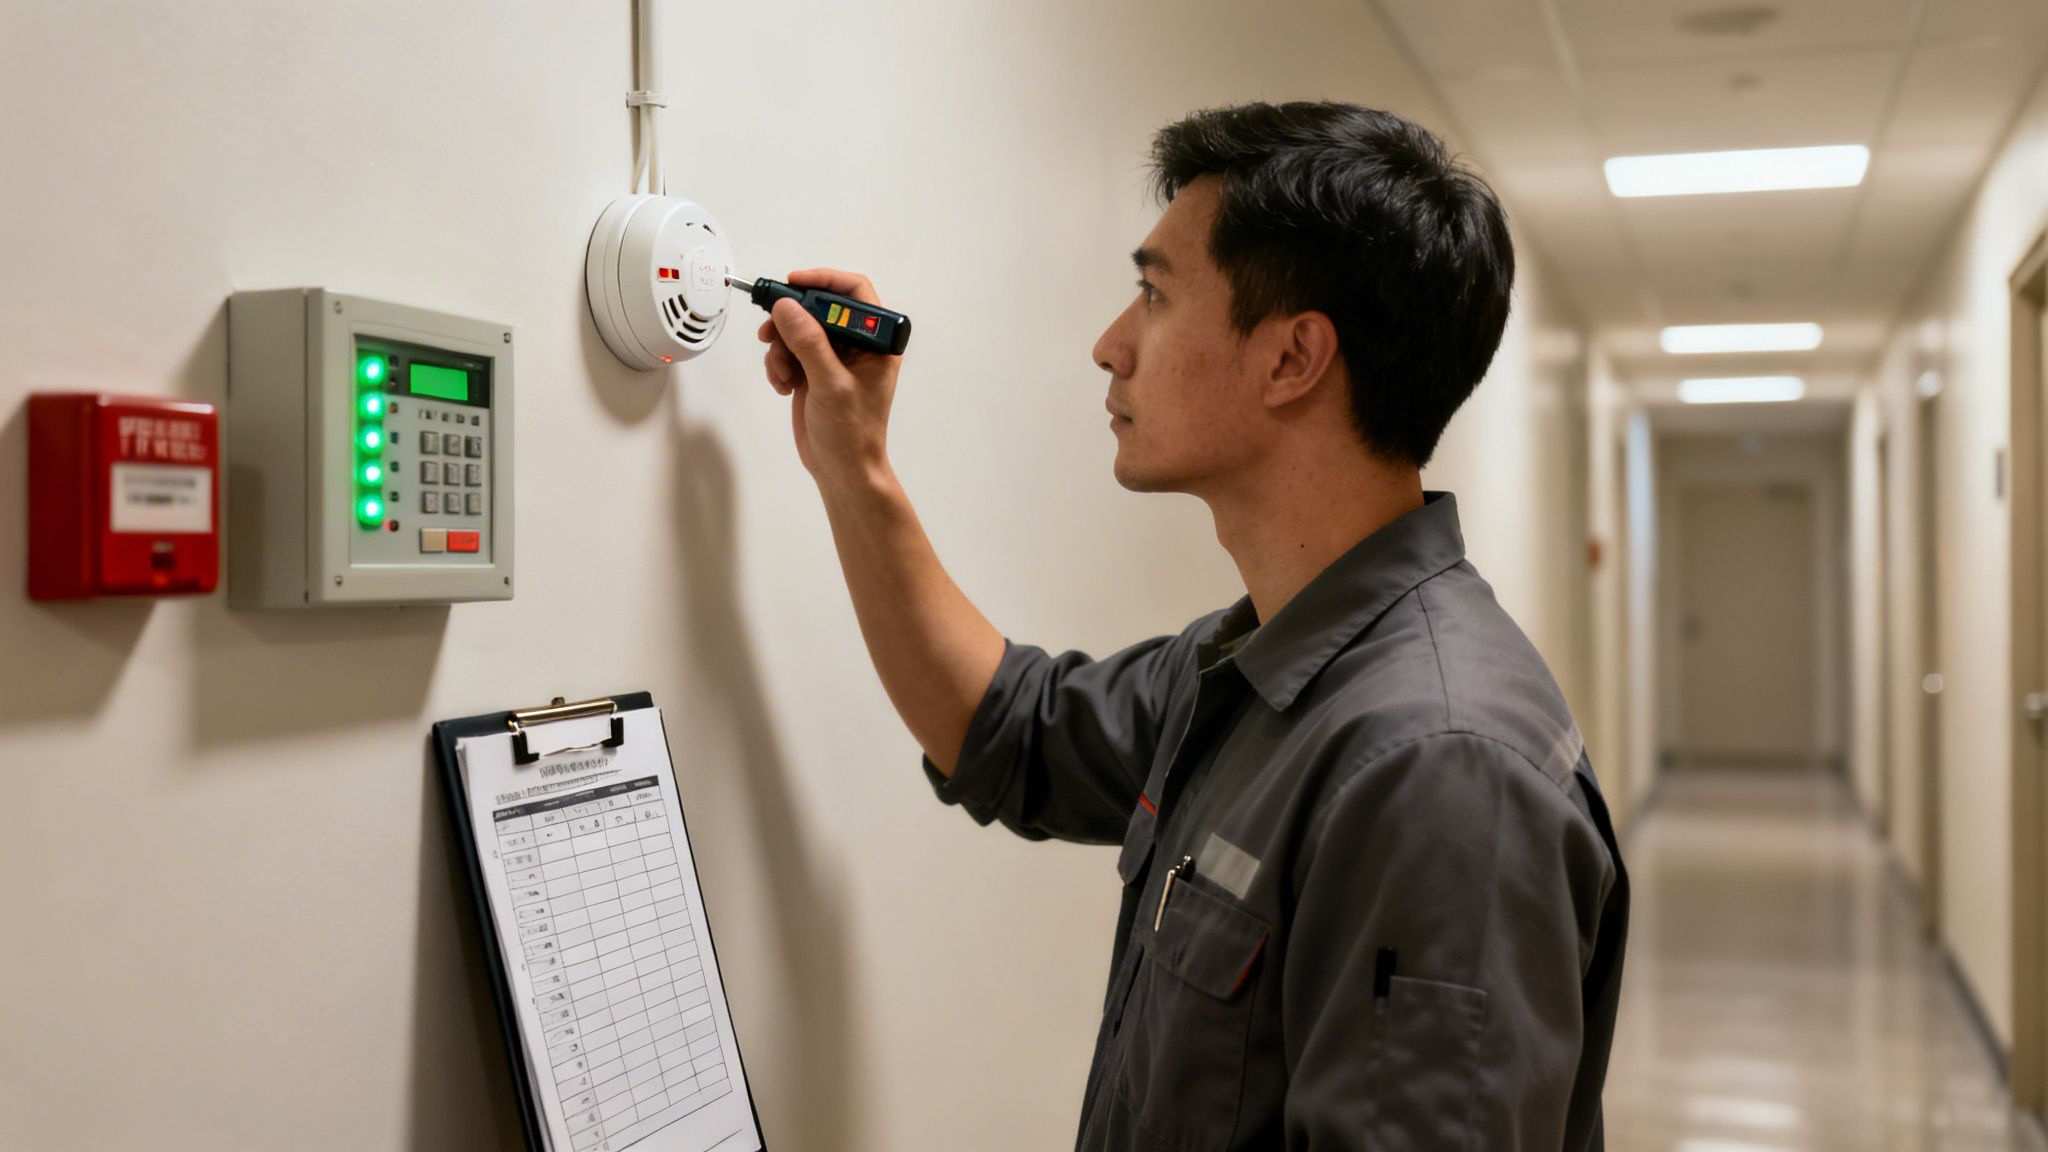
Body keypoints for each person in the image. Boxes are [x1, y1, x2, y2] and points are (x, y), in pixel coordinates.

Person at [756, 101, 1628, 1151]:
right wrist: (852, 463)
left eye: (1153, 295)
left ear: (1290, 359)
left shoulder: (1437, 768)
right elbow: (1007, 729)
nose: (1108, 346)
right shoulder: (1257, 662)